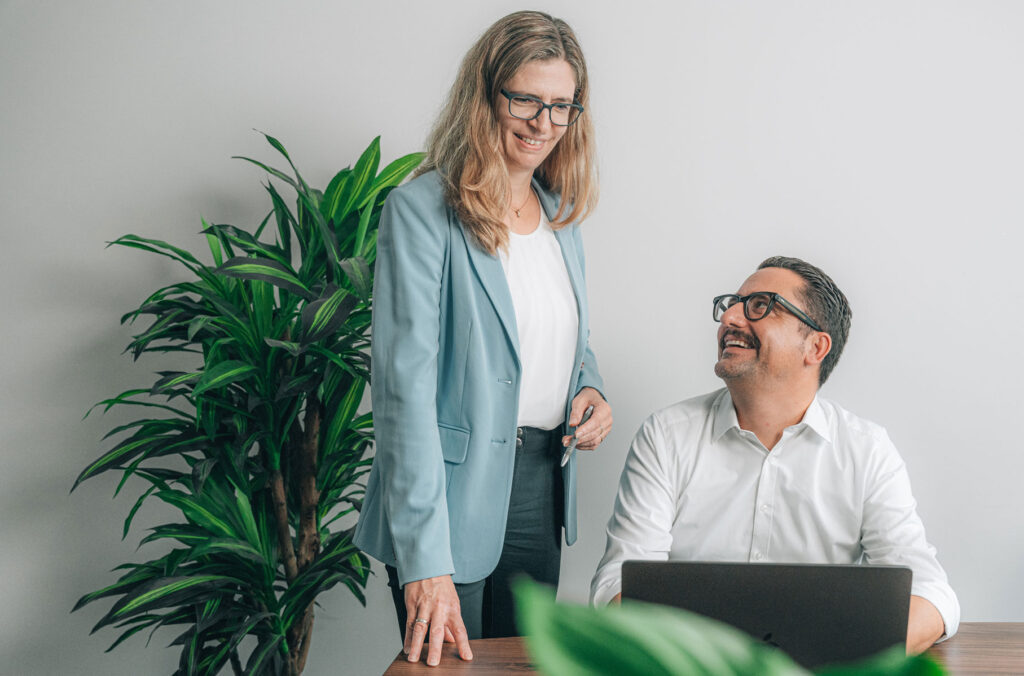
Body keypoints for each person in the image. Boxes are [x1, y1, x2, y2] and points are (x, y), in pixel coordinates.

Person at [353, 10, 612, 667]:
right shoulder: (421, 213)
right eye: (525, 98)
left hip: (540, 486)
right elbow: (402, 394)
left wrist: (590, 388)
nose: (542, 123)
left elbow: (563, 339)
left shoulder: (561, 218)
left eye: (561, 105)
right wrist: (425, 558)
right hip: (445, 495)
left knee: (523, 669)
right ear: (485, 95)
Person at [590, 256, 959, 654]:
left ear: (815, 346)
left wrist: (841, 660)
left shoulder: (865, 449)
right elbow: (617, 581)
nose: (730, 317)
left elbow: (931, 592)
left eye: (760, 306)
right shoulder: (666, 436)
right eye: (732, 303)